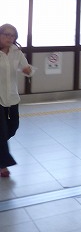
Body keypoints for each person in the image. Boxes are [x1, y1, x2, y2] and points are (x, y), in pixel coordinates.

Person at [0, 23, 35, 178]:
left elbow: (27, 69)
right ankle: (3, 165)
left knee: (12, 128)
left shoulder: (16, 52)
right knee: (1, 132)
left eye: (12, 35)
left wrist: (28, 70)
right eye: (6, 34)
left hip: (12, 97)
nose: (9, 38)